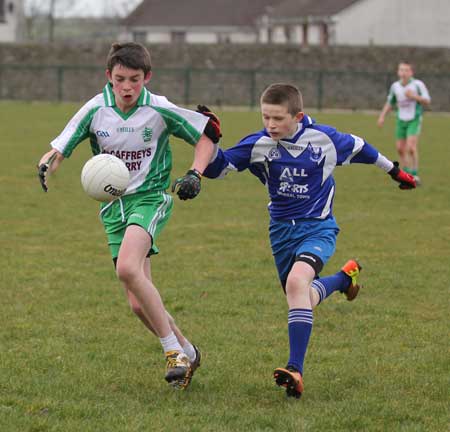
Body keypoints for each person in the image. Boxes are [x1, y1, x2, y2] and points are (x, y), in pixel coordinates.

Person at [202, 83, 415, 399]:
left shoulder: (325, 139)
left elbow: (363, 148)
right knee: (301, 296)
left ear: (298, 116)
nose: (271, 125)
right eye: (266, 118)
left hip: (318, 229)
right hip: (281, 233)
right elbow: (217, 169)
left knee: (296, 284)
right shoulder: (260, 143)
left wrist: (395, 172)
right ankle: (344, 279)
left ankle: (295, 369)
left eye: (278, 118)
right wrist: (209, 138)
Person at [37, 42, 221, 390]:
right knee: (138, 303)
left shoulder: (158, 109)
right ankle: (188, 351)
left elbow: (208, 134)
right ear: (108, 76)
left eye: (134, 80)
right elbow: (61, 148)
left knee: (126, 268)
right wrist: (48, 163)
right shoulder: (95, 109)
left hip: (150, 199)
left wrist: (195, 173)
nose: (126, 88)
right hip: (113, 208)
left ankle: (172, 353)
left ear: (146, 77)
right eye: (120, 79)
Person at [377, 61, 431, 184]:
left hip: (414, 119)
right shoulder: (395, 86)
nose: (403, 72)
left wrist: (414, 97)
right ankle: (406, 174)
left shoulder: (417, 85)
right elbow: (390, 103)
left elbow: (427, 101)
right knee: (400, 149)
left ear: (411, 72)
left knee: (411, 147)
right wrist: (382, 117)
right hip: (401, 120)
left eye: (406, 70)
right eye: (401, 70)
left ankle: (415, 174)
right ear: (398, 72)